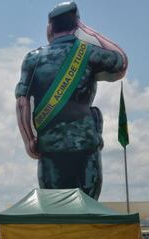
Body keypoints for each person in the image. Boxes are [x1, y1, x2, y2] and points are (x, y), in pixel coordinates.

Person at [15, 1, 127, 200]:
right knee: (88, 208)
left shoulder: (34, 58)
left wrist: (29, 140)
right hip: (85, 144)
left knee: (56, 209)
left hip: (50, 147)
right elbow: (120, 61)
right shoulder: (89, 52)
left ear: (50, 27)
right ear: (76, 26)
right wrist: (86, 29)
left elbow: (22, 103)